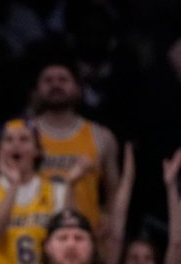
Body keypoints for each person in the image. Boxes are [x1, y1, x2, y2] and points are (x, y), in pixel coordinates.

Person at [0, 118, 85, 264]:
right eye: (8, 140)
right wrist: (14, 185)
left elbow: (68, 239)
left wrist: (70, 185)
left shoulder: (57, 191)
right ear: (0, 149)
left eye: (24, 139)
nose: (16, 145)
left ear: (37, 150)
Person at [31, 63, 120, 232]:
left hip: (86, 233)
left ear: (78, 88)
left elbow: (113, 190)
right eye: (48, 80)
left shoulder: (101, 136)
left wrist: (111, 220)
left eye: (63, 80)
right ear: (37, 89)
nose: (55, 85)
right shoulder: (20, 134)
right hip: (31, 233)